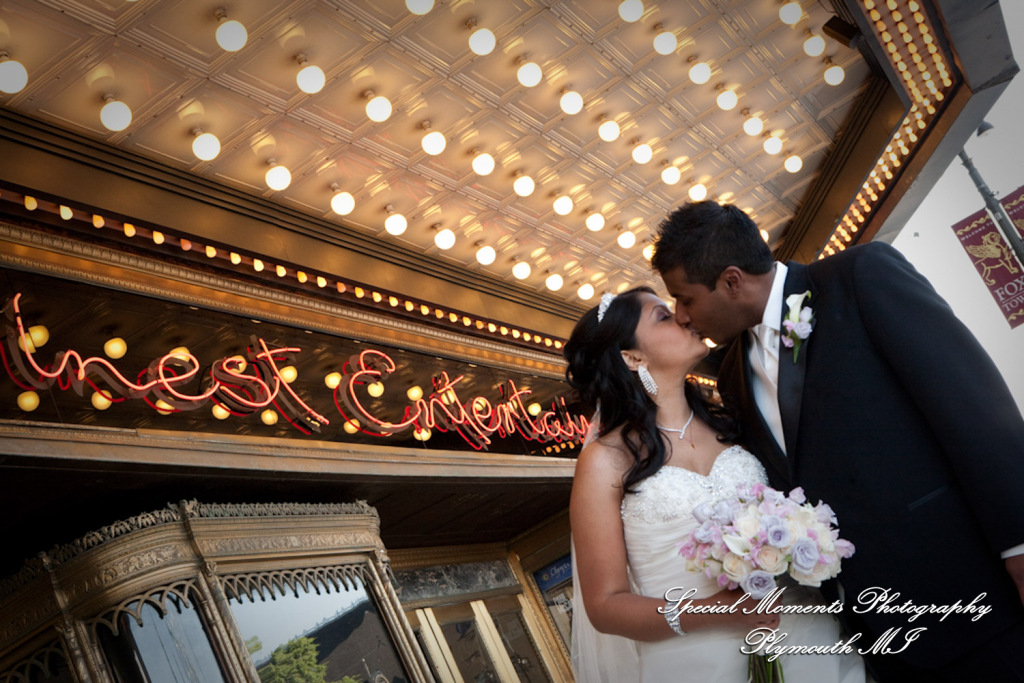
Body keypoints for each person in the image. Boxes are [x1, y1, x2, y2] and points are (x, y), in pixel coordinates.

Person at [651, 200, 1024, 682]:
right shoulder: (731, 376)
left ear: (731, 280)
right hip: (878, 633)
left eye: (685, 298)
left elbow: (971, 404)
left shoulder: (859, 277)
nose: (682, 316)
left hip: (974, 594)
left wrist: (1018, 544)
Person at [565, 286, 866, 682]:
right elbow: (605, 605)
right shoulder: (606, 460)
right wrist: (716, 611)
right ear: (632, 356)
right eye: (662, 315)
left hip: (806, 635)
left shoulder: (733, 422)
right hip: (698, 661)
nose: (683, 317)